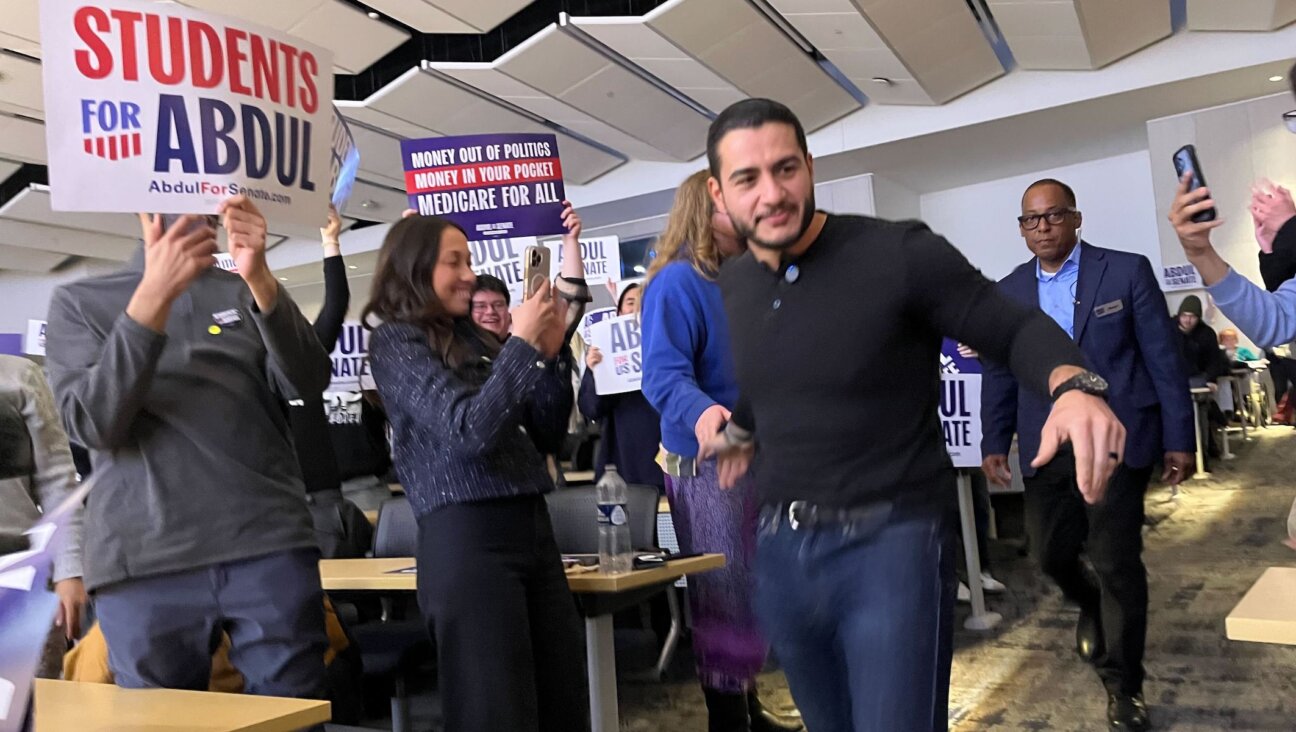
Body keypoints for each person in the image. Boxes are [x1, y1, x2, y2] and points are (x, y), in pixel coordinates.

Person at [701, 99, 1125, 732]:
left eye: (785, 168)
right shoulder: (735, 285)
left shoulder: (897, 254)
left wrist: (1074, 385)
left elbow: (1010, 327)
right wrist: (740, 429)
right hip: (783, 551)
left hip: (891, 543)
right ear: (718, 191)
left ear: (810, 166)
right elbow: (779, 377)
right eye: (747, 178)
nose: (772, 192)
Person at [44, 199, 331, 705]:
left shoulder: (245, 290)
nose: (191, 209)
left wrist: (261, 278)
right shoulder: (81, 303)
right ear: (139, 206)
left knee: (295, 716)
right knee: (163, 722)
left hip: (264, 544)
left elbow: (308, 382)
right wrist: (152, 297)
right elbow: (92, 423)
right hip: (145, 560)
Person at [364, 203, 591, 732]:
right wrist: (520, 346)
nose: (469, 274)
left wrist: (551, 355)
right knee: (496, 713)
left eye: (468, 260)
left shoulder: (474, 339)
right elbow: (467, 430)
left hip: (531, 529)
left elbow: (546, 431)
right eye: (454, 262)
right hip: (468, 539)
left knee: (563, 702)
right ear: (416, 268)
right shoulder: (396, 341)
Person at [980, 179, 1194, 731]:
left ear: (1076, 219)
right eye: (1031, 220)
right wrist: (992, 441)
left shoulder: (1124, 271)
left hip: (1121, 440)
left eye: (1053, 216)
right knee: (1049, 554)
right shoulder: (1007, 293)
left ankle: (1124, 687)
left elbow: (1162, 360)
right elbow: (1001, 374)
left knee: (1117, 560)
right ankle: (1092, 604)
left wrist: (1179, 437)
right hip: (1048, 444)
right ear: (1022, 229)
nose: (1043, 227)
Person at [642, 169, 802, 732]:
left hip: (764, 456)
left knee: (757, 590)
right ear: (705, 208)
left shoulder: (750, 278)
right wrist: (706, 412)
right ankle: (728, 719)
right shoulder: (677, 282)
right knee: (725, 595)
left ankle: (750, 706)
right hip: (710, 465)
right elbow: (661, 376)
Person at [292, 205, 373, 559]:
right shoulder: (239, 374)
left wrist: (330, 243)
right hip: (278, 504)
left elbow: (335, 306)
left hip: (325, 500)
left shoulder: (297, 362)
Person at [0, 354, 85, 679]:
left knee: (32, 710)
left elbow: (58, 483)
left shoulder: (20, 377)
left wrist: (70, 572)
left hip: (19, 580)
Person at [578, 283, 664, 489]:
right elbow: (591, 409)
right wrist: (593, 371)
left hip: (663, 460)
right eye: (630, 303)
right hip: (622, 466)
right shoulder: (603, 353)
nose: (636, 310)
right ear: (619, 312)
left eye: (645, 303)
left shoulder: (670, 348)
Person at [471, 273, 513, 341]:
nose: (490, 311)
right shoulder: (457, 350)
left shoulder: (529, 348)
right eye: (481, 306)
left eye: (498, 305)